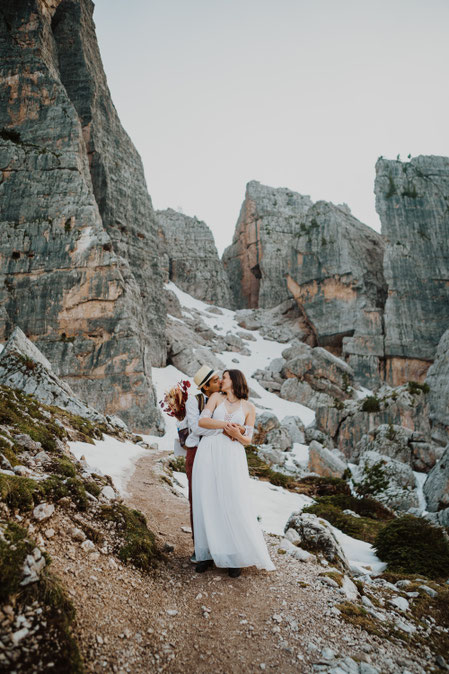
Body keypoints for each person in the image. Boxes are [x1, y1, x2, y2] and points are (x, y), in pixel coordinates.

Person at [192, 369, 275, 577]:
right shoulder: (215, 398)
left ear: (235, 380)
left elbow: (248, 440)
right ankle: (206, 554)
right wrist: (225, 425)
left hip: (232, 455)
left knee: (231, 499)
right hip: (209, 452)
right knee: (208, 499)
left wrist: (237, 433)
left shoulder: (249, 407)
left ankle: (234, 556)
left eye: (225, 377)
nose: (221, 380)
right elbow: (202, 422)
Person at [183, 365, 221, 560]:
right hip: (196, 452)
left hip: (217, 453)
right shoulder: (193, 400)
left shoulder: (223, 400)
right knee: (197, 499)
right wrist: (221, 429)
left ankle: (218, 546)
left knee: (217, 498)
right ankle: (199, 547)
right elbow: (195, 428)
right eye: (215, 381)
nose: (220, 382)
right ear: (205, 387)